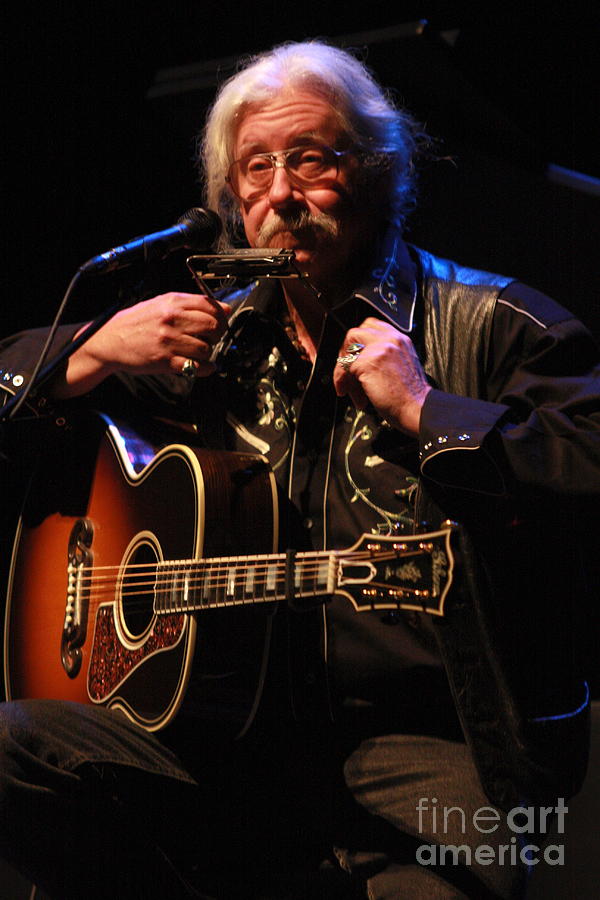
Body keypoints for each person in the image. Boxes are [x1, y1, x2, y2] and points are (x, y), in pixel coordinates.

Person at [0, 39, 599, 900]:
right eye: (255, 169)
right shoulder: (202, 345)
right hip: (219, 747)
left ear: (382, 170)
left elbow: (587, 456)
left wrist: (428, 409)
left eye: (312, 160)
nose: (281, 194)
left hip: (430, 749)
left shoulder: (494, 323)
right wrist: (85, 352)